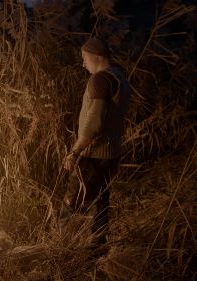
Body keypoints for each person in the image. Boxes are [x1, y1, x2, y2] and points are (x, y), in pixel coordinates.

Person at [63, 37, 130, 247]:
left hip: (94, 154)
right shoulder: (120, 77)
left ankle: (64, 248)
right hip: (112, 154)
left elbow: (94, 122)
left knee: (72, 203)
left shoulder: (100, 79)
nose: (83, 63)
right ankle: (97, 248)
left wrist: (74, 152)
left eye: (84, 58)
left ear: (97, 57)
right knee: (101, 203)